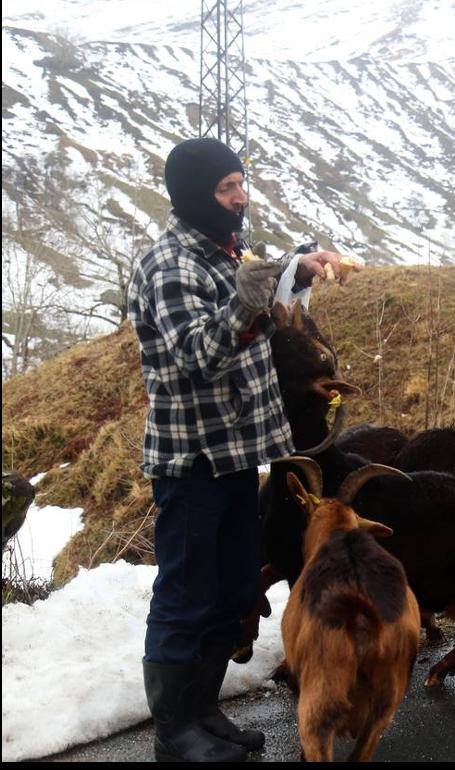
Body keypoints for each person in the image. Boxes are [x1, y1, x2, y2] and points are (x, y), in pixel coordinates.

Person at [126, 137, 351, 762]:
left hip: (233, 456)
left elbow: (252, 291)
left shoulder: (220, 254)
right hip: (192, 460)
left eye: (241, 184)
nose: (239, 197)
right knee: (185, 595)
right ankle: (175, 734)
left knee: (229, 593)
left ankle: (202, 712)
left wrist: (296, 269)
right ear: (198, 195)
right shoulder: (169, 266)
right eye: (227, 188)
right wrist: (250, 300)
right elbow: (198, 353)